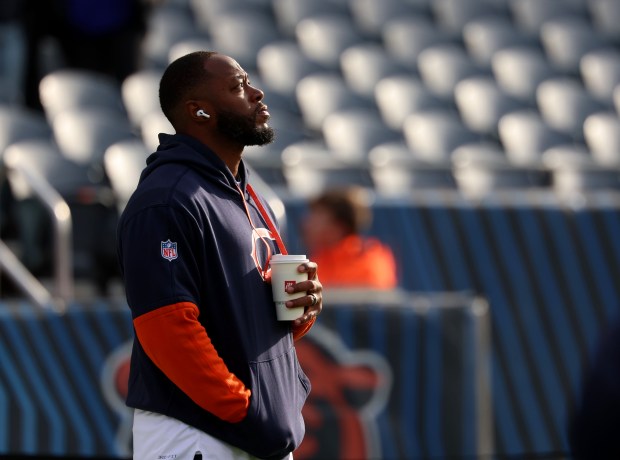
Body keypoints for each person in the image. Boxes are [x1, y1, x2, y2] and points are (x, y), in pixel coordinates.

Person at [116, 51, 323, 460]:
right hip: (200, 434)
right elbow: (167, 329)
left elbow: (246, 317)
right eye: (237, 87)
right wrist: (245, 410)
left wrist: (302, 308)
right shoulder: (167, 199)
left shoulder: (244, 192)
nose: (257, 93)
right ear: (200, 112)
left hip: (250, 434)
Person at [301, 186, 398, 289]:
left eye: (317, 217)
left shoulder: (369, 266)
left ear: (339, 226)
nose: (306, 224)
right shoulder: (319, 260)